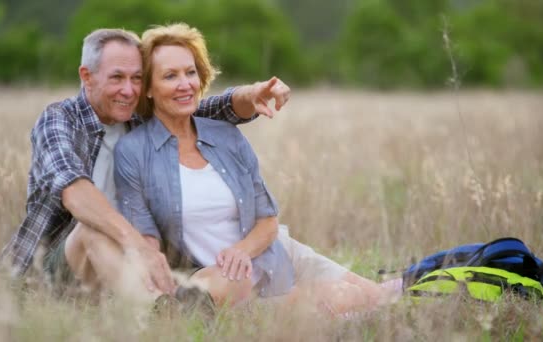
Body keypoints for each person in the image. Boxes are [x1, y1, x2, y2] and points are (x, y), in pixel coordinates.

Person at [0, 27, 292, 304]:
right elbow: (74, 192)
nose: (129, 90)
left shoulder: (139, 120)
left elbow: (209, 107)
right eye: (117, 78)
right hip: (53, 268)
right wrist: (139, 246)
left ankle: (165, 305)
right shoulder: (59, 120)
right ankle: (159, 314)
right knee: (91, 230)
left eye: (137, 78)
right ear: (87, 76)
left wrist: (252, 93)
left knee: (220, 281)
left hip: (125, 269)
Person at [114, 23, 400, 314]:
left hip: (272, 251)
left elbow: (267, 220)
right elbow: (145, 237)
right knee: (341, 298)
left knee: (383, 297)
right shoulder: (133, 151)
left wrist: (242, 251)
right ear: (148, 88)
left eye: (190, 72)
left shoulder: (225, 135)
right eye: (170, 76)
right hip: (218, 280)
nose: (185, 84)